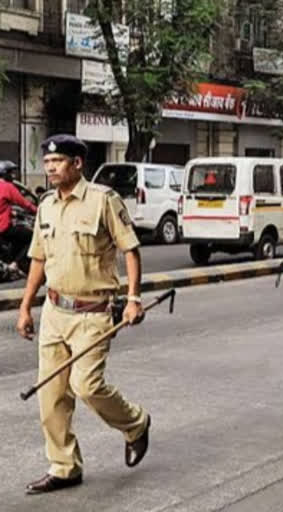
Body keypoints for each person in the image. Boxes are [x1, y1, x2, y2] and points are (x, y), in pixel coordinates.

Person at [16, 135, 150, 495]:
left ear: (77, 164)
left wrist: (134, 297)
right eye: (47, 163)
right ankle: (64, 467)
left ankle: (136, 424)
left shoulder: (103, 200)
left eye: (57, 161)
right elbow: (38, 259)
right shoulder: (45, 205)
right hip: (55, 312)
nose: (50, 168)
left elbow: (131, 250)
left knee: (87, 386)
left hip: (93, 312)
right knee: (52, 396)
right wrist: (26, 305)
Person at [0, 161, 37, 274]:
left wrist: (11, 213)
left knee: (17, 237)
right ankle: (15, 264)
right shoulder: (7, 187)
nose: (14, 176)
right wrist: (39, 211)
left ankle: (10, 261)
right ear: (4, 173)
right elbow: (25, 204)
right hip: (3, 228)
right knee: (32, 237)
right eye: (11, 173)